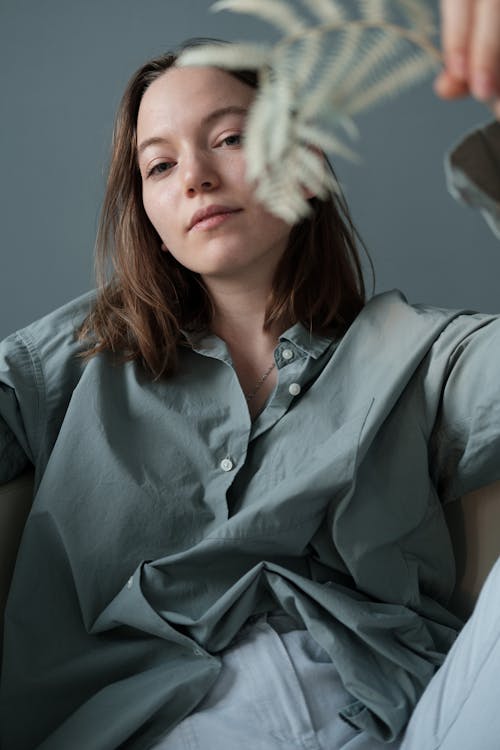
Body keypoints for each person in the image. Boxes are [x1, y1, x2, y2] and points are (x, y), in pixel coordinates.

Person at [0, 1, 500, 748]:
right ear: (150, 217)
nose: (196, 176)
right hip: (156, 727)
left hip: (404, 722)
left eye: (230, 138)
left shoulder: (422, 355)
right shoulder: (71, 360)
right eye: (160, 165)